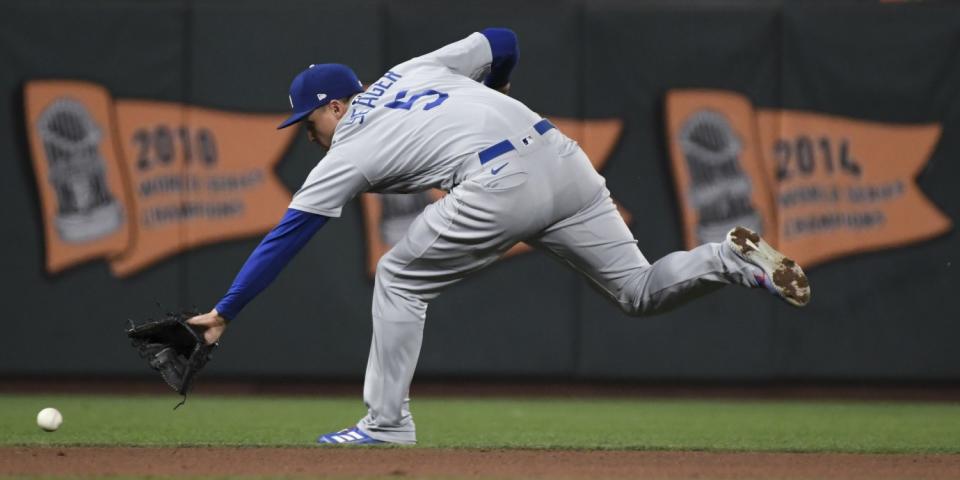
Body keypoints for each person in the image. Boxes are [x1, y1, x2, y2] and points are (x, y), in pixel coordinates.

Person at [186, 28, 811, 445]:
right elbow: (503, 39)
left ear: (338, 106)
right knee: (640, 290)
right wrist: (499, 88)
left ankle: (385, 423)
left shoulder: (349, 143)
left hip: (497, 180)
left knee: (399, 278)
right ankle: (729, 259)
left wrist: (225, 311)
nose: (308, 134)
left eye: (308, 121)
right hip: (562, 158)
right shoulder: (412, 69)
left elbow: (287, 235)